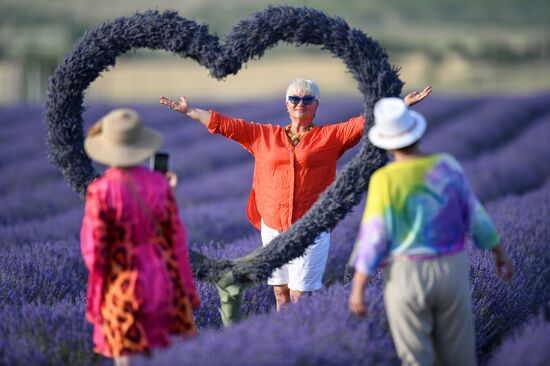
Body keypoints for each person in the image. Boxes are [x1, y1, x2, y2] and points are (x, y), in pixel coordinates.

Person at [160, 79, 431, 311]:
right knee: (280, 293)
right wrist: (189, 111)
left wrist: (401, 105)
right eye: (295, 98)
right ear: (286, 104)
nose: (300, 103)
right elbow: (225, 124)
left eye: (307, 99)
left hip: (311, 226)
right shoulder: (262, 135)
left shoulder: (332, 136)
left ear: (316, 105)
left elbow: (364, 122)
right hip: (273, 224)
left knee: (302, 295)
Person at [347, 98, 514, 366]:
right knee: (460, 356)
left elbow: (374, 237)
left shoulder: (385, 179)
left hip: (405, 275)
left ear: (386, 143)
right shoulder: (446, 166)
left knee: (416, 358)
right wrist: (499, 253)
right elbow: (475, 214)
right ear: (415, 132)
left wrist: (358, 287)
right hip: (451, 268)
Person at [80, 108, 200, 366]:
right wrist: (187, 291)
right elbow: (177, 241)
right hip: (161, 281)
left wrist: (98, 293)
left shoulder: (101, 191)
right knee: (158, 355)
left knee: (126, 357)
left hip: (122, 284)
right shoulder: (160, 185)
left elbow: (94, 253)